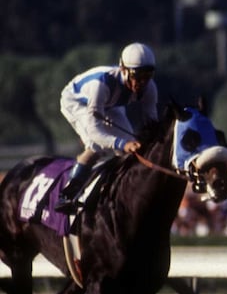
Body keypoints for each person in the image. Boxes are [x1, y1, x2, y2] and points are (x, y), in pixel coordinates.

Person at [56, 42, 158, 214]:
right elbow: (96, 132)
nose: (141, 82)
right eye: (137, 75)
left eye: (147, 75)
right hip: (77, 101)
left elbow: (152, 123)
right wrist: (122, 144)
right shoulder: (101, 84)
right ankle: (68, 194)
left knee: (130, 148)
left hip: (110, 104)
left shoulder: (150, 88)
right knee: (97, 145)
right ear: (123, 69)